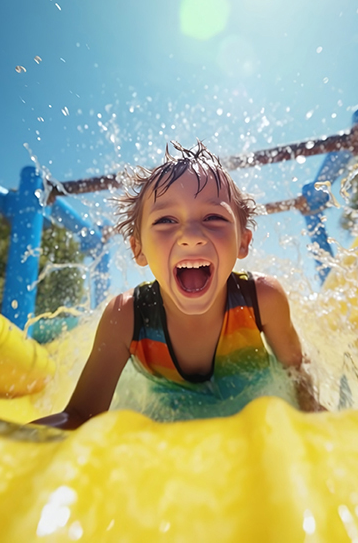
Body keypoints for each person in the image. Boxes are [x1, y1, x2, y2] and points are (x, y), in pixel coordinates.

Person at [34, 141, 322, 429]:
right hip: (168, 402)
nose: (191, 236)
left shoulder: (262, 299)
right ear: (139, 250)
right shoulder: (126, 317)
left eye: (214, 217)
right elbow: (81, 416)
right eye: (166, 220)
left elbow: (297, 373)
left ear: (243, 242)